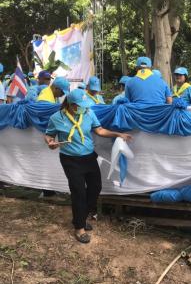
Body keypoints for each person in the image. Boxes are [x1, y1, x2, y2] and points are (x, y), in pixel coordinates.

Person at [45, 88, 132, 243]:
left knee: (95, 188)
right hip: (70, 160)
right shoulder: (56, 118)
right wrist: (50, 143)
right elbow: (49, 135)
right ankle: (79, 227)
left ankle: (80, 218)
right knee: (78, 192)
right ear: (71, 105)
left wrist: (118, 134)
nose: (84, 107)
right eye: (81, 105)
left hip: (89, 157)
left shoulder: (88, 113)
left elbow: (99, 130)